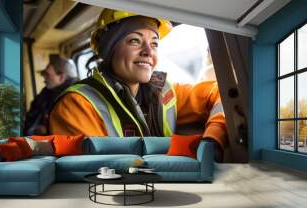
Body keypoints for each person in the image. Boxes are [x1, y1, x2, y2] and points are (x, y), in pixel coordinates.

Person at [49, 9, 227, 161]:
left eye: (154, 43)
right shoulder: (76, 106)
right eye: (134, 40)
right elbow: (99, 176)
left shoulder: (165, 92)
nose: (148, 52)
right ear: (110, 50)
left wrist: (213, 139)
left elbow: (224, 94)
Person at [24, 54, 77, 135]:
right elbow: (32, 117)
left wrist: (47, 130)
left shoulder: (73, 97)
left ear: (61, 77)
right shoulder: (47, 92)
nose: (44, 78)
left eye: (47, 75)